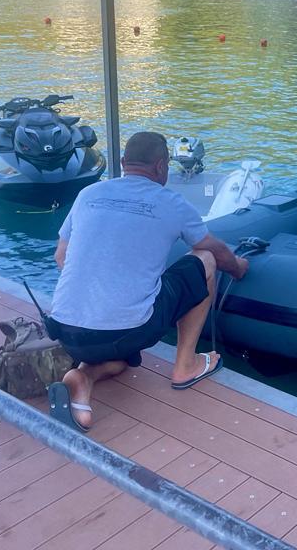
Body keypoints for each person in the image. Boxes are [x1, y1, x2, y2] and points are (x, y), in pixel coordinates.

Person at [46, 132, 250, 432]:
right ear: (161, 167)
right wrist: (239, 268)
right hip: (129, 330)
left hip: (66, 332)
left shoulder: (88, 194)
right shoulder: (171, 202)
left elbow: (60, 257)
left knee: (121, 359)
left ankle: (82, 378)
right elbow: (216, 250)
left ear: (123, 163)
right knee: (204, 257)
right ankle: (185, 366)